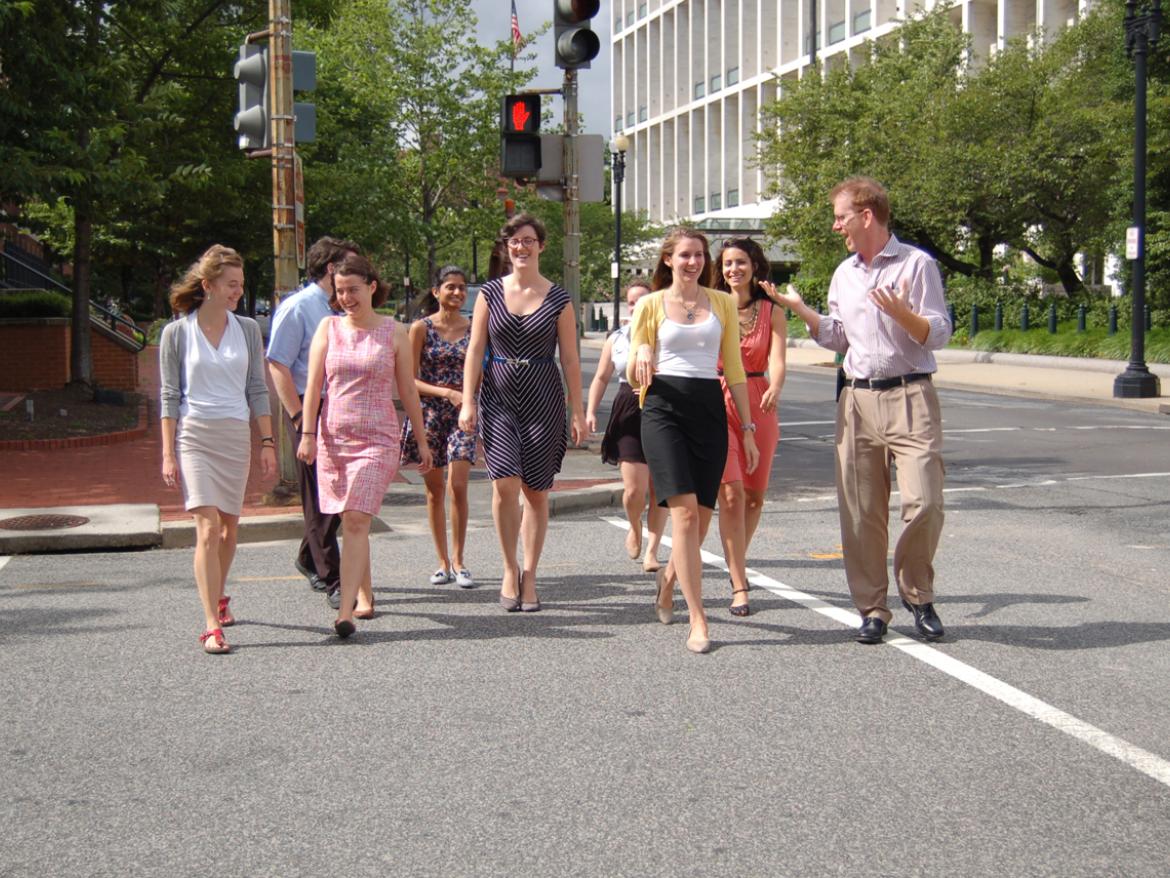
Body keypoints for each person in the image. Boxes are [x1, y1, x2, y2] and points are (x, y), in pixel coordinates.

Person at [774, 176, 951, 644]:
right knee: (860, 511)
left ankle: (918, 593)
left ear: (866, 216)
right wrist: (802, 311)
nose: (837, 226)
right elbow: (837, 337)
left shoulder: (917, 265)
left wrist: (903, 315)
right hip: (856, 399)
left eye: (841, 216)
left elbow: (938, 332)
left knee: (926, 501)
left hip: (911, 395)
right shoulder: (844, 274)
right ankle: (872, 608)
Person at [629, 228, 759, 654]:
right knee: (683, 518)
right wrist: (642, 354)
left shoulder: (722, 302)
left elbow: (735, 372)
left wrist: (747, 429)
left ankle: (668, 581)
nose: (694, 262)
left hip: (709, 410)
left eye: (700, 255)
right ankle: (698, 619)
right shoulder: (649, 305)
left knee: (700, 522)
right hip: (663, 408)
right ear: (669, 260)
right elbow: (634, 371)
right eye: (685, 255)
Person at [297, 253, 432, 638]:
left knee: (356, 517)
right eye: (339, 292)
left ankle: (345, 611)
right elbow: (314, 387)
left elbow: (406, 389)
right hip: (333, 438)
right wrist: (307, 435)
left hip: (377, 439)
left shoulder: (394, 332)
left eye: (353, 290)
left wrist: (420, 441)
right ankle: (366, 593)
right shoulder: (328, 328)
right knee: (353, 518)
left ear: (372, 287)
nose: (346, 298)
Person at [459, 213, 587, 613]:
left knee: (535, 490)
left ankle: (530, 573)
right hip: (497, 395)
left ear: (541, 246)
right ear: (506, 247)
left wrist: (578, 410)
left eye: (529, 240)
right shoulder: (489, 294)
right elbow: (476, 349)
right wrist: (468, 400)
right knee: (504, 484)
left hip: (543, 396)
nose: (521, 246)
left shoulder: (558, 299)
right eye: (514, 240)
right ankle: (508, 567)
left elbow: (569, 359)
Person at [159, 245, 276, 654]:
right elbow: (169, 395)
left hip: (234, 436)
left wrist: (266, 441)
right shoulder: (176, 333)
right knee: (207, 528)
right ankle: (211, 624)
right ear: (207, 285)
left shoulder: (246, 329)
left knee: (229, 529)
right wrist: (168, 452)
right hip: (194, 436)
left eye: (240, 286)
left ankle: (219, 593)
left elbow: (257, 389)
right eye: (230, 284)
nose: (237, 292)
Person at [267, 236, 361, 611]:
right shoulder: (299, 308)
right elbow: (277, 363)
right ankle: (332, 576)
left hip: (341, 406)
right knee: (320, 497)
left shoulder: (342, 307)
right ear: (331, 268)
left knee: (344, 495)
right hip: (309, 406)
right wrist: (296, 415)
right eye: (351, 264)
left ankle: (310, 556)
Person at [712, 238, 787, 616]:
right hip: (718, 398)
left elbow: (778, 358)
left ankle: (734, 560)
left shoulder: (771, 310)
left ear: (754, 266)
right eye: (727, 263)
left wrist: (776, 385)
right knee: (731, 495)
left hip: (759, 399)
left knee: (755, 497)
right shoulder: (711, 304)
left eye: (740, 262)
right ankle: (739, 582)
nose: (733, 269)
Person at [400, 265, 478, 588]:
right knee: (434, 491)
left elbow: (481, 370)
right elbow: (408, 379)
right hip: (429, 414)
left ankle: (460, 561)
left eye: (461, 287)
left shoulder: (475, 328)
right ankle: (442, 562)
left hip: (463, 415)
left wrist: (469, 398)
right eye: (450, 287)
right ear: (436, 292)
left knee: (458, 485)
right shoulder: (421, 328)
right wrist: (445, 392)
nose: (457, 293)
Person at [585, 280, 666, 573]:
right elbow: (601, 377)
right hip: (628, 410)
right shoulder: (617, 338)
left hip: (661, 408)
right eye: (632, 302)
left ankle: (653, 550)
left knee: (661, 489)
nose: (637, 306)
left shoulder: (667, 333)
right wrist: (590, 411)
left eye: (643, 300)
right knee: (634, 490)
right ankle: (635, 526)